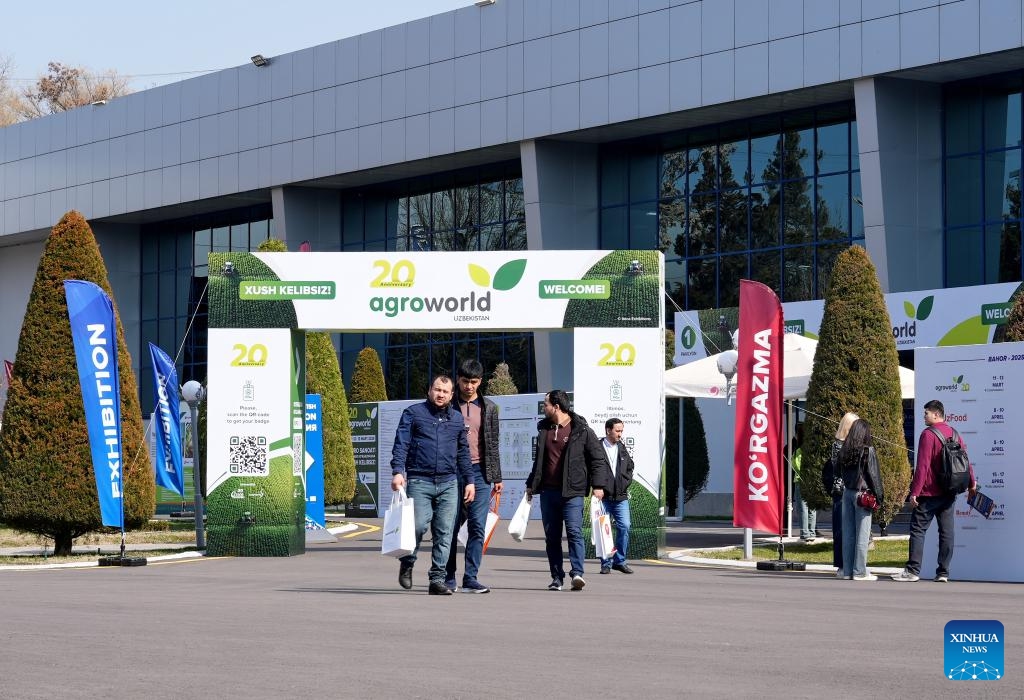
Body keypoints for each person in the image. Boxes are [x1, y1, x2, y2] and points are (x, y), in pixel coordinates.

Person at [391, 375, 475, 596]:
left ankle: (437, 579)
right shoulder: (414, 413)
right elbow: (401, 444)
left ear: (451, 395)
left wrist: (470, 481)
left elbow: (463, 453)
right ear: (429, 390)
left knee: (445, 532)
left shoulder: (457, 419)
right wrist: (398, 471)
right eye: (437, 390)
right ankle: (408, 561)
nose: (440, 394)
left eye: (445, 392)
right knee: (417, 526)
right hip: (420, 480)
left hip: (449, 482)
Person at [524, 390, 608, 592]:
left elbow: (598, 459)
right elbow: (539, 462)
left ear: (557, 406)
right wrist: (530, 484)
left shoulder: (581, 430)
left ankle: (577, 573)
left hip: (573, 492)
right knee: (551, 537)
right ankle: (556, 578)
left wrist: (598, 486)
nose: (543, 408)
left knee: (574, 532)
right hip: (548, 492)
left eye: (545, 404)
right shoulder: (543, 429)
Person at [892, 400, 977, 583]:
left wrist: (914, 491)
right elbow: (965, 461)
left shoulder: (928, 435)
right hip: (949, 493)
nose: (924, 416)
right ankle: (943, 573)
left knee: (917, 529)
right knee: (946, 532)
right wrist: (972, 483)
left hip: (929, 493)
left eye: (926, 413)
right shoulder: (954, 433)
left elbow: (922, 466)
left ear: (936, 414)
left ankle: (913, 571)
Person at [444, 359, 503, 594]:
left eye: (474, 382)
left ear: (481, 381)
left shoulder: (489, 408)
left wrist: (496, 476)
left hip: (480, 473)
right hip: (451, 472)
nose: (469, 386)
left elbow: (493, 444)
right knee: (449, 525)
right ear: (458, 379)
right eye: (466, 381)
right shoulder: (447, 406)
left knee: (478, 526)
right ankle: (448, 576)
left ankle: (471, 577)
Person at [836, 418, 884, 581]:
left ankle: (848, 571)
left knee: (848, 534)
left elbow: (836, 469)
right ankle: (860, 572)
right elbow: (874, 475)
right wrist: (879, 496)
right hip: (862, 495)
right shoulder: (867, 450)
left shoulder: (844, 449)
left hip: (847, 493)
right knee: (862, 535)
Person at [598, 418, 635, 575]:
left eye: (621, 431)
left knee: (625, 526)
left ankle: (619, 561)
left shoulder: (621, 447)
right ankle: (606, 563)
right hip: (603, 497)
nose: (620, 434)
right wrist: (598, 487)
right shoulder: (597, 447)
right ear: (608, 430)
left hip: (620, 496)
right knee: (603, 530)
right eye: (617, 431)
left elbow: (629, 467)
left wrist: (625, 483)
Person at [827, 412, 859, 575]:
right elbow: (838, 468)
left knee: (854, 529)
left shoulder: (856, 444)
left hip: (853, 490)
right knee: (841, 529)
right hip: (842, 492)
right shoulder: (839, 445)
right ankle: (841, 564)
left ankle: (854, 563)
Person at [790, 423, 815, 542]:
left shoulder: (799, 450)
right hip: (811, 481)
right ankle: (812, 532)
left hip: (800, 481)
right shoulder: (812, 449)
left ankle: (805, 533)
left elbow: (797, 466)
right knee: (812, 508)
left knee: (803, 508)